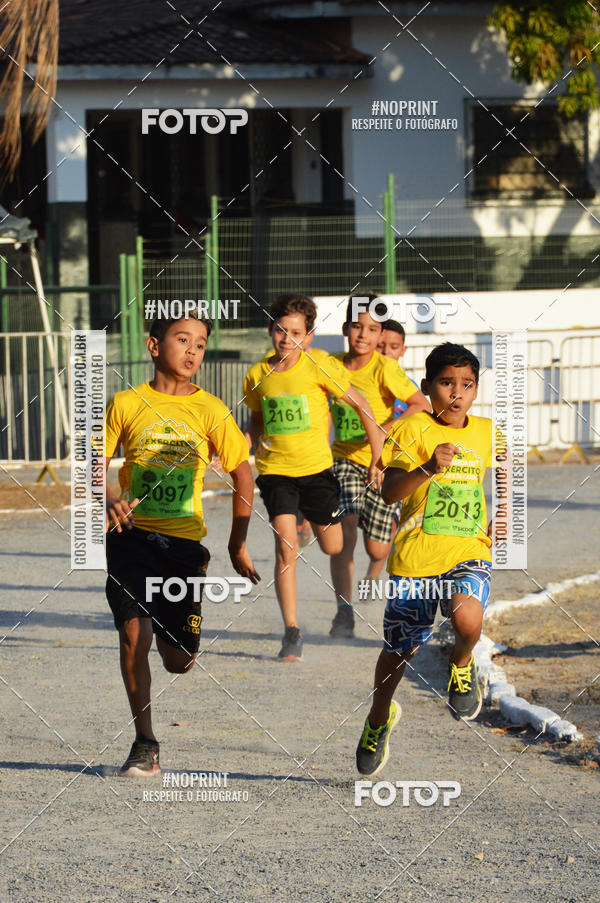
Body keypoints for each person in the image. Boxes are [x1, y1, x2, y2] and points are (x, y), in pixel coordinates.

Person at [105, 314, 259, 777]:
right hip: (131, 539)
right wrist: (110, 498)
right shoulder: (125, 403)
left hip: (184, 547)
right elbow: (92, 461)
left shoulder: (211, 410)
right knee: (133, 635)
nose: (192, 351)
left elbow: (243, 473)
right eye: (182, 339)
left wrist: (236, 543)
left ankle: (167, 627)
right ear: (154, 346)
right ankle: (145, 742)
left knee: (178, 661)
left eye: (201, 344)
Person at [356, 343, 495, 777]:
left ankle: (461, 663)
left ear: (476, 390)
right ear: (427, 387)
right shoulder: (412, 429)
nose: (457, 393)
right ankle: (378, 717)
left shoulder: (487, 431)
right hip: (416, 559)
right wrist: (429, 469)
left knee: (467, 618)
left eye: (467, 385)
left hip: (468, 551)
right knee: (399, 650)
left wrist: (505, 518)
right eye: (447, 383)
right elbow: (389, 493)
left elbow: (507, 476)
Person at [243, 293, 383, 661]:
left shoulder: (318, 364)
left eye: (296, 332)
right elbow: (256, 421)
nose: (286, 339)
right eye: (280, 330)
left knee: (334, 546)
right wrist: (238, 447)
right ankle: (292, 631)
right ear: (270, 330)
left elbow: (362, 405)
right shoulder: (257, 375)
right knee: (284, 547)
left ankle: (307, 521)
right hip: (275, 472)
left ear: (309, 336)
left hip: (317, 472)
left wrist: (377, 458)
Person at [328, 296, 429, 639]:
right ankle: (344, 612)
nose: (363, 335)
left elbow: (420, 403)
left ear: (380, 335)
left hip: (382, 464)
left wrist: (384, 430)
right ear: (346, 328)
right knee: (345, 534)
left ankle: (373, 575)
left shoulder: (384, 368)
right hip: (343, 460)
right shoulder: (330, 365)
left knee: (377, 549)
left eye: (372, 329)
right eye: (357, 327)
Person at [376, 319, 419, 419]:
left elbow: (420, 415)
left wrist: (388, 428)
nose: (386, 352)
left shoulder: (410, 387)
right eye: (379, 346)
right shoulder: (360, 379)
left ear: (403, 350)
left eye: (394, 347)